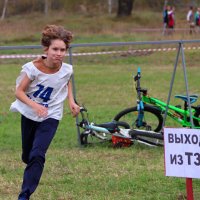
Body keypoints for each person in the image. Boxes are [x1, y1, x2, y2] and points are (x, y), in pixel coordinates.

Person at [10, 24, 80, 200]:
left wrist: (71, 101)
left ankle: (24, 195)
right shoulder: (32, 69)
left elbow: (66, 81)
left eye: (62, 50)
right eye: (55, 49)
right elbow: (18, 92)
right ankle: (30, 162)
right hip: (29, 113)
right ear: (46, 49)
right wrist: (35, 106)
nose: (59, 53)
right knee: (28, 155)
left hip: (51, 115)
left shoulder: (66, 69)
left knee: (38, 154)